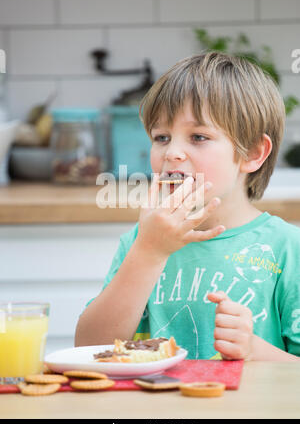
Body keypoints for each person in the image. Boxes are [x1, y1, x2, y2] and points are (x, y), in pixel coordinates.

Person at [75, 51, 300, 361]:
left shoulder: (288, 249)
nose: (172, 152)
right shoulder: (142, 242)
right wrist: (148, 252)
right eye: (162, 137)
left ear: (252, 153)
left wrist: (253, 350)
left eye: (198, 136)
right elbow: (89, 350)